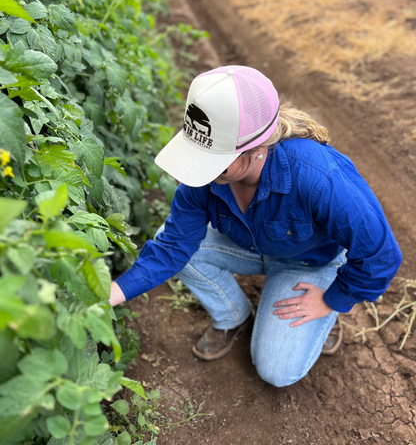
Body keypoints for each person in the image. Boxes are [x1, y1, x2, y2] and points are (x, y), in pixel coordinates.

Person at [110, 65, 402, 388]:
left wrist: (331, 300)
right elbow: (173, 247)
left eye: (214, 160)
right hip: (248, 246)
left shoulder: (317, 177)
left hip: (309, 260)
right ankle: (233, 316)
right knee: (180, 247)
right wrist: (110, 294)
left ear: (257, 147)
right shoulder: (205, 177)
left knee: (275, 370)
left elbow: (382, 255)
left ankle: (324, 318)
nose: (197, 172)